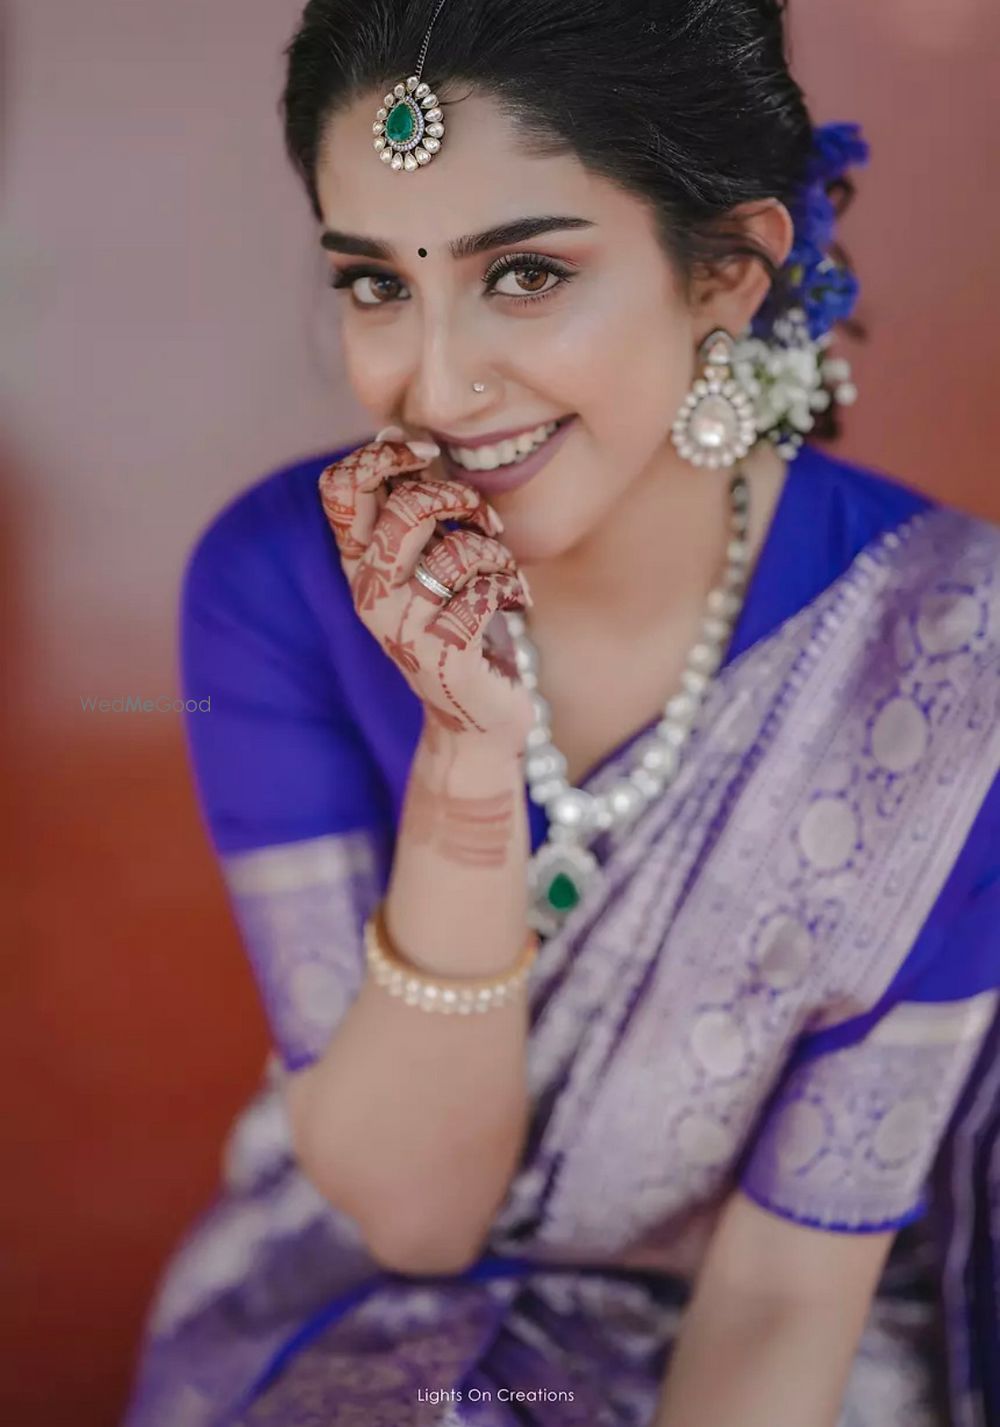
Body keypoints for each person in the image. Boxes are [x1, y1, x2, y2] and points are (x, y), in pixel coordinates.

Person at [122, 1, 1000, 1424]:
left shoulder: (952, 653)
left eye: (524, 275)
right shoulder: (282, 582)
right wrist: (468, 767)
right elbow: (411, 1220)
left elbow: (782, 1307)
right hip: (363, 1313)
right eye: (373, 286)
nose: (436, 383)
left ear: (726, 267)